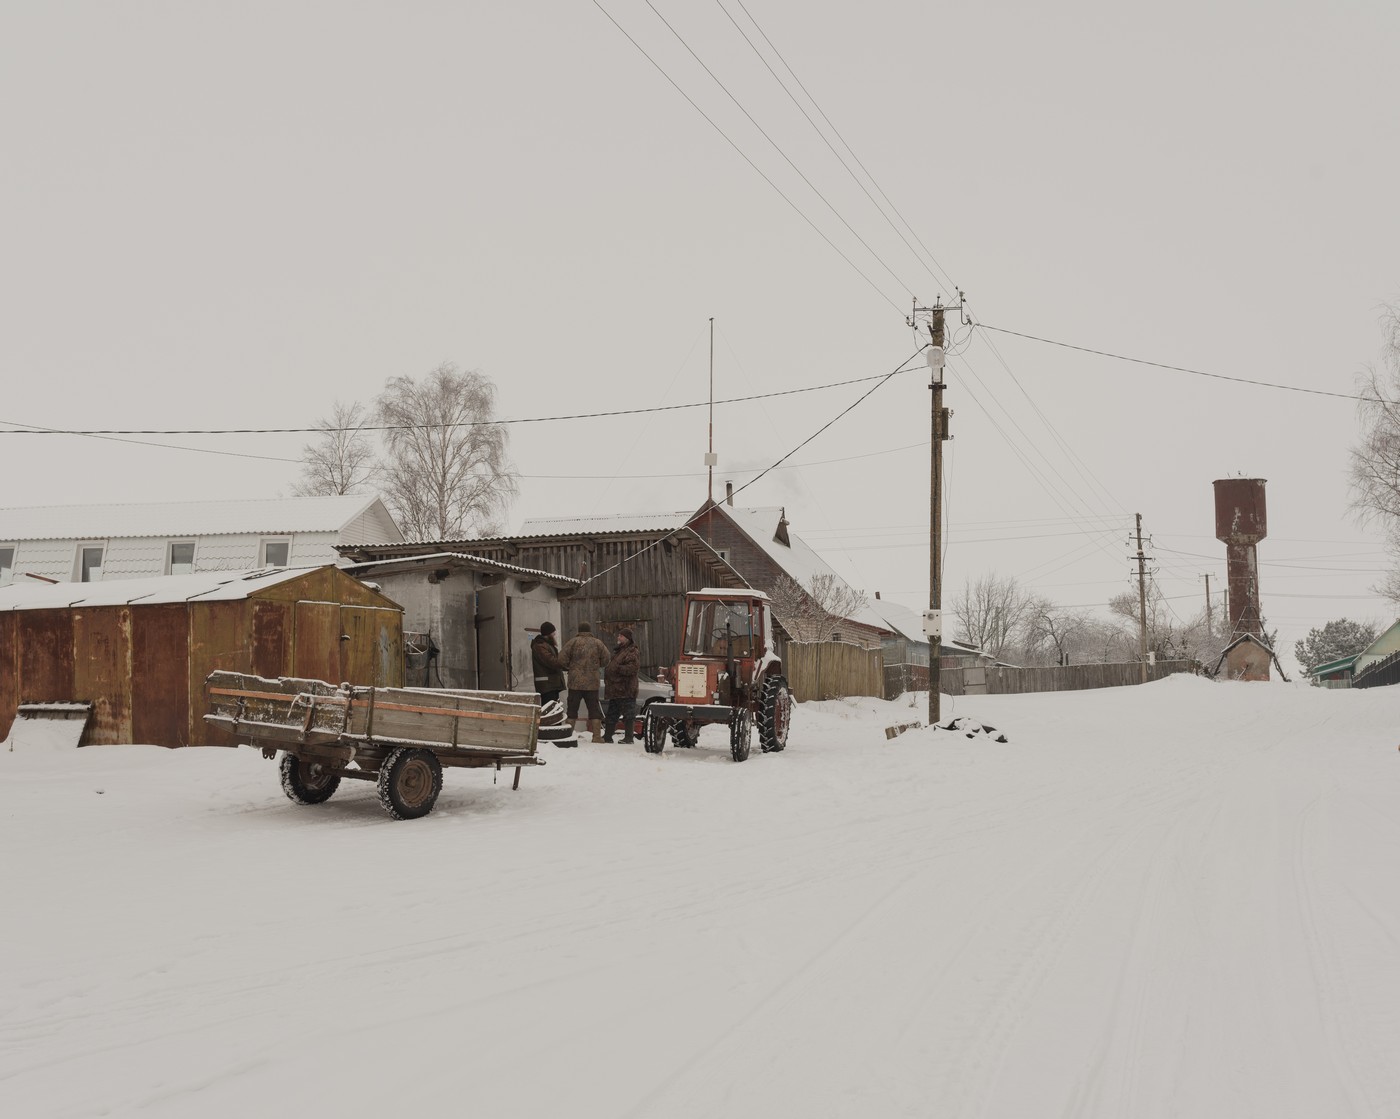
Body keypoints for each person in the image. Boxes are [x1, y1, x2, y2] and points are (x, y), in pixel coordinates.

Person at [559, 621, 611, 742]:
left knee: (572, 710)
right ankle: (596, 736)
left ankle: (568, 736)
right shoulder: (598, 643)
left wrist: (570, 667)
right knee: (594, 710)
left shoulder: (572, 642)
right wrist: (597, 665)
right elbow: (607, 658)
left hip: (575, 683)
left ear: (579, 630)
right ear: (589, 630)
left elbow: (561, 659)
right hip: (592, 683)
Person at [601, 628, 640, 744]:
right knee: (612, 713)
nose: (618, 638)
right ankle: (607, 736)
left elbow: (633, 668)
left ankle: (629, 738)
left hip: (626, 689)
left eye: (621, 636)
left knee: (628, 714)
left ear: (627, 638)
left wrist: (616, 669)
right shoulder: (619, 651)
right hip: (615, 689)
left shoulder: (632, 651)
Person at [531, 622, 565, 707]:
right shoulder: (540, 646)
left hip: (551, 684)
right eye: (553, 633)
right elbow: (551, 661)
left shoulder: (547, 645)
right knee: (549, 711)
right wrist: (566, 662)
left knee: (554, 710)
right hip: (547, 685)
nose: (555, 635)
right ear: (548, 634)